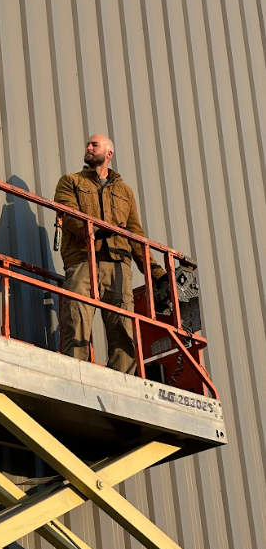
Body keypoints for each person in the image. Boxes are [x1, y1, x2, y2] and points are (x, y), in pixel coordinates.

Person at [54, 134, 167, 374]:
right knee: (76, 319)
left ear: (109, 154)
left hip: (117, 264)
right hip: (83, 260)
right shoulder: (71, 181)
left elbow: (136, 235)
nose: (88, 147)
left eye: (94, 144)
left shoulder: (125, 191)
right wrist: (96, 231)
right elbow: (69, 215)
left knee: (123, 327)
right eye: (87, 144)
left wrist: (156, 273)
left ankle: (123, 380)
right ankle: (75, 374)